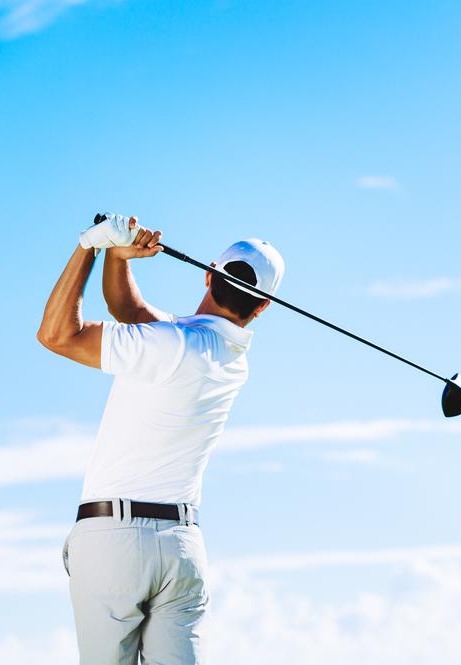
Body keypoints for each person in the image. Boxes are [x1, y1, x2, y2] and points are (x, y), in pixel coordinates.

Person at [36, 213, 284, 664]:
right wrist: (119, 255)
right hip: (181, 548)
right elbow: (128, 312)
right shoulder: (225, 356)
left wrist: (89, 246)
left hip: (114, 541)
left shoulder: (171, 343)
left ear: (209, 273)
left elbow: (57, 335)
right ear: (262, 306)